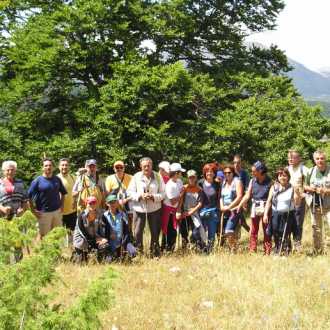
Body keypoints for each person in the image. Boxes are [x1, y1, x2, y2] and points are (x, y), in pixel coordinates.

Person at [127, 157, 165, 257]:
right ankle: (138, 254)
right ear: (141, 167)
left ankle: (155, 253)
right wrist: (140, 196)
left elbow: (163, 193)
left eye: (148, 166)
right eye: (144, 166)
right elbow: (130, 192)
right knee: (138, 233)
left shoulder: (158, 177)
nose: (147, 168)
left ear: (152, 166)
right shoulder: (136, 177)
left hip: (155, 209)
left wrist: (153, 197)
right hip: (139, 209)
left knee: (155, 232)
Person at [263, 168, 301, 255]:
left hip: (288, 213)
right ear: (277, 177)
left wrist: (297, 194)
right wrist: (265, 214)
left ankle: (286, 250)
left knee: (286, 231)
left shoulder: (292, 187)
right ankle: (277, 248)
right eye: (280, 175)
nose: (282, 177)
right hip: (275, 213)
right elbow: (269, 201)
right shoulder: (274, 187)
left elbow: (297, 202)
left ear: (288, 177)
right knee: (276, 231)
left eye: (284, 175)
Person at [238, 161, 272, 254]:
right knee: (253, 230)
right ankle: (252, 250)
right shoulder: (252, 181)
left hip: (266, 208)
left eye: (254, 171)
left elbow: (270, 198)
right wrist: (240, 204)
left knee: (267, 230)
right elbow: (247, 195)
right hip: (255, 206)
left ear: (260, 171)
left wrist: (266, 212)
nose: (252, 173)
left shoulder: (270, 182)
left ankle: (267, 251)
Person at [28, 158, 67, 238]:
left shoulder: (57, 179)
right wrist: (33, 210)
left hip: (57, 212)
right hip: (44, 214)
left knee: (57, 236)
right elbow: (29, 196)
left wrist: (62, 206)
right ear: (42, 168)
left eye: (50, 165)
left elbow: (63, 193)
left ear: (53, 167)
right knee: (45, 237)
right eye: (46, 166)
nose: (48, 167)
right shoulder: (37, 181)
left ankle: (57, 250)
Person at [0, 160, 28, 261]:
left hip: (17, 218)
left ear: (15, 171)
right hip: (3, 218)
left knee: (18, 242)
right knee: (5, 242)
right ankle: (5, 265)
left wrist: (23, 209)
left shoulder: (20, 183)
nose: (10, 172)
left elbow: (25, 200)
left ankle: (18, 264)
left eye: (12, 170)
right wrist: (3, 208)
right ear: (3, 171)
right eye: (8, 170)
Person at [304, 150, 330, 254]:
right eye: (318, 158)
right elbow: (305, 186)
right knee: (316, 228)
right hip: (315, 204)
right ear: (314, 160)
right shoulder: (310, 172)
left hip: (329, 204)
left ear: (325, 159)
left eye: (322, 158)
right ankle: (318, 250)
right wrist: (312, 188)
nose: (320, 160)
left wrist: (326, 190)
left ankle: (328, 249)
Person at [72, 196, 110, 263]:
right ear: (86, 204)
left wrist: (104, 238)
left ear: (97, 204)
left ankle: (100, 262)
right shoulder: (81, 216)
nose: (92, 205)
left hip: (95, 238)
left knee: (104, 245)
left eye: (94, 203)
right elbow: (82, 232)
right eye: (90, 203)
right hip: (82, 240)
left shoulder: (100, 214)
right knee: (82, 263)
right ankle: (76, 255)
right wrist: (94, 241)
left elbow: (106, 227)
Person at [176, 169, 206, 250]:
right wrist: (179, 211)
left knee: (196, 232)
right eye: (190, 177)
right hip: (184, 214)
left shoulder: (199, 190)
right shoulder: (184, 188)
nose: (191, 179)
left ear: (196, 178)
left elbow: (200, 203)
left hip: (194, 214)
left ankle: (201, 248)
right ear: (188, 178)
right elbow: (180, 201)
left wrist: (192, 211)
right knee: (184, 232)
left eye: (193, 177)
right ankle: (184, 249)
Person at [101, 194, 136, 261]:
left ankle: (123, 255)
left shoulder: (123, 214)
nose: (112, 204)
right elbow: (102, 232)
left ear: (117, 203)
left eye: (114, 202)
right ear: (107, 204)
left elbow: (127, 231)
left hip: (122, 242)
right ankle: (113, 255)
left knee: (133, 252)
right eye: (110, 202)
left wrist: (124, 242)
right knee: (109, 260)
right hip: (110, 243)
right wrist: (108, 236)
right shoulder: (104, 216)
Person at [287, 150, 309, 251]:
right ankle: (287, 245)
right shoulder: (286, 169)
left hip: (299, 199)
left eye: (293, 157)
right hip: (287, 200)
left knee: (298, 222)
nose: (291, 159)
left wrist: (305, 194)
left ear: (299, 158)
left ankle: (297, 244)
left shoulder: (304, 169)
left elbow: (310, 183)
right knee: (287, 222)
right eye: (289, 157)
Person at [161, 163, 185, 252]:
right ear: (176, 173)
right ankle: (165, 249)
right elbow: (173, 201)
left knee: (174, 231)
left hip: (175, 209)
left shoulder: (179, 182)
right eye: (180, 173)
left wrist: (179, 209)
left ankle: (171, 249)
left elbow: (180, 198)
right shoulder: (169, 185)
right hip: (168, 210)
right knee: (167, 231)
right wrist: (181, 194)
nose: (181, 174)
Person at [220, 164, 243, 252]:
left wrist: (229, 207)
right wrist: (222, 206)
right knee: (225, 231)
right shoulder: (224, 183)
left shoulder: (237, 182)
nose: (227, 174)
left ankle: (234, 249)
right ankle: (232, 248)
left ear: (233, 173)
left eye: (229, 172)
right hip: (225, 210)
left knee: (228, 230)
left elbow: (239, 196)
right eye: (225, 173)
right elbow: (221, 197)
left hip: (234, 210)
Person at [198, 163, 220, 251]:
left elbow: (220, 198)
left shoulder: (217, 184)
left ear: (214, 173)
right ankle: (202, 249)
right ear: (204, 173)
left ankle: (210, 250)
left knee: (212, 233)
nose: (209, 173)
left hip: (214, 211)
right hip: (202, 211)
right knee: (201, 232)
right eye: (207, 171)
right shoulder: (200, 183)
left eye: (211, 171)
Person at [105, 160, 133, 228]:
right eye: (117, 167)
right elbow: (108, 194)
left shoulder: (131, 177)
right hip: (115, 204)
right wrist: (116, 202)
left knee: (129, 223)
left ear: (124, 168)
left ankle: (129, 236)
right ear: (114, 169)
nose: (119, 169)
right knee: (117, 223)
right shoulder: (109, 178)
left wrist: (125, 200)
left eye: (121, 167)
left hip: (128, 204)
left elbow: (135, 192)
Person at [57, 158, 77, 238]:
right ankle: (62, 250)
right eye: (62, 165)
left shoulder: (73, 178)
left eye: (66, 165)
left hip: (72, 212)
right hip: (59, 213)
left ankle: (71, 250)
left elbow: (77, 191)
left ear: (69, 167)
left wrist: (76, 200)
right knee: (60, 236)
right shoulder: (55, 179)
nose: (64, 167)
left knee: (72, 235)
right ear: (59, 167)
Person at [233, 154, 250, 232]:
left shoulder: (244, 173)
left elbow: (247, 188)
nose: (236, 164)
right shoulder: (231, 172)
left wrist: (245, 202)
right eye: (235, 162)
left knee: (239, 218)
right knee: (238, 218)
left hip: (241, 199)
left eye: (238, 162)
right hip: (231, 199)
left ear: (241, 163)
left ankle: (249, 231)